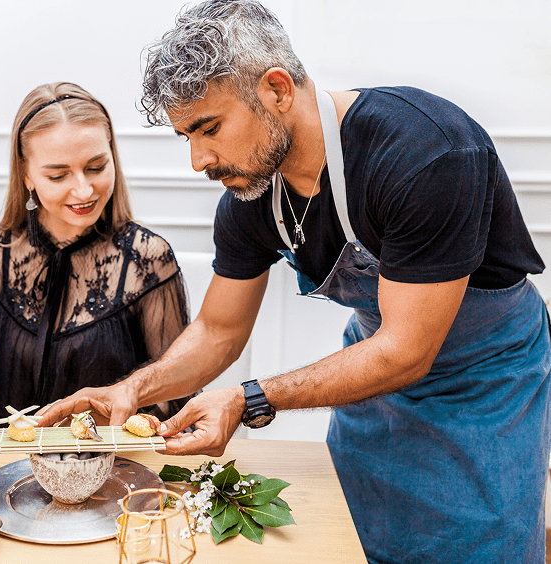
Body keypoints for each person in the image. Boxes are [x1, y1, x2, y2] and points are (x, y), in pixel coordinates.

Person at [36, 2, 551, 563]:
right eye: (186, 135)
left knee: (475, 548)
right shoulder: (254, 193)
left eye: (208, 128)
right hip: (373, 383)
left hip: (483, 385)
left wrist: (251, 397)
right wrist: (134, 389)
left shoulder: (424, 152)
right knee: (355, 539)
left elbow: (407, 350)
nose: (197, 159)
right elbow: (218, 329)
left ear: (277, 89)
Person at [0, 82, 195, 460]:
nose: (83, 190)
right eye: (58, 176)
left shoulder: (147, 259)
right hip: (7, 473)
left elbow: (176, 392)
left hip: (114, 473)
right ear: (26, 175)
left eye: (96, 166)